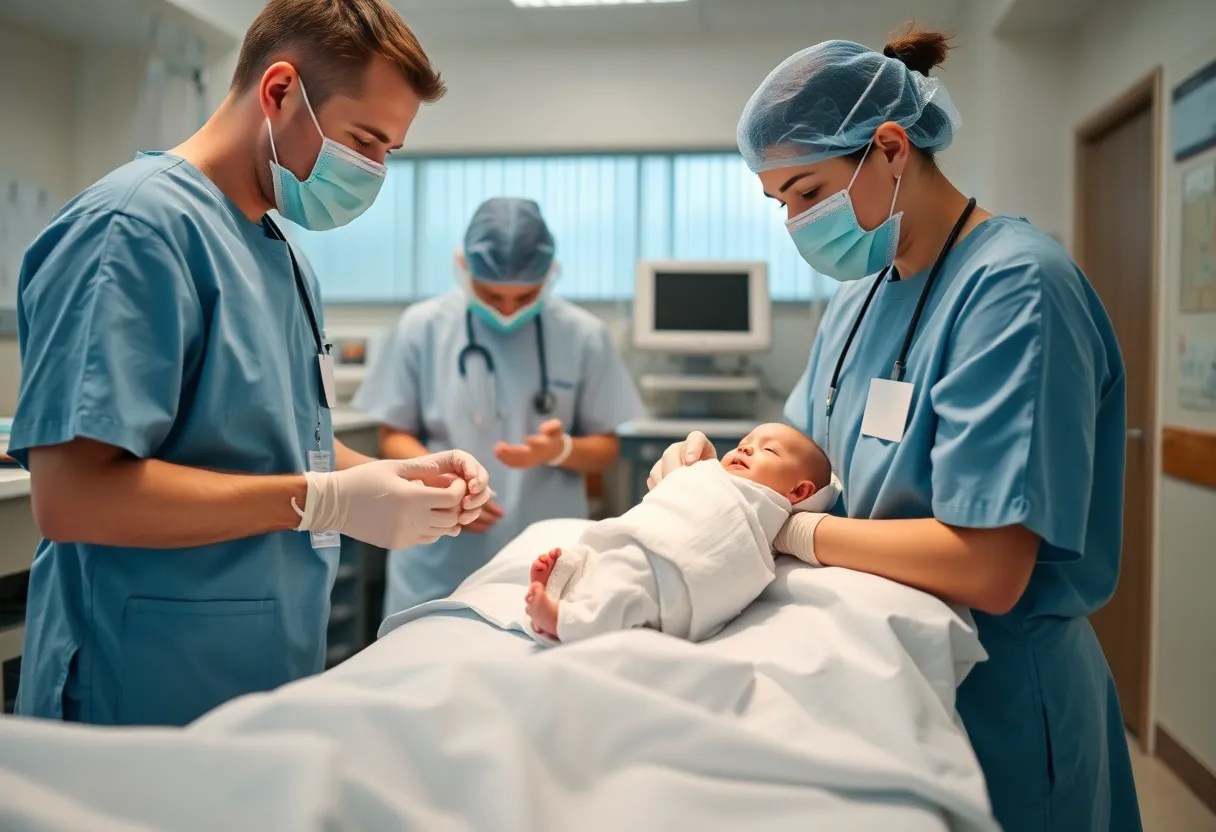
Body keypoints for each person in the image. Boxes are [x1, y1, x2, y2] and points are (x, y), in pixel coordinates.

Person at [645, 29, 1140, 832]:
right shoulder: (862, 296)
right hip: (888, 679)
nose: (795, 222)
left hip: (1002, 702)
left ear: (890, 148)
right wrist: (724, 472)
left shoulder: (1017, 290)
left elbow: (988, 567)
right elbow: (807, 452)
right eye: (780, 203)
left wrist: (788, 531)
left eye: (808, 192)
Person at [8, 0, 492, 728]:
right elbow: (73, 497)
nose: (373, 171)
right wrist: (327, 502)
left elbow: (282, 444)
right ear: (280, 91)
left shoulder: (282, 253)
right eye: (364, 141)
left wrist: (397, 478)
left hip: (257, 675)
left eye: (388, 152)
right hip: (139, 682)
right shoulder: (131, 231)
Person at [355, 197, 645, 616]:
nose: (508, 309)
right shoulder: (421, 327)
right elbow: (393, 435)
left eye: (525, 296)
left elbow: (605, 449)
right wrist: (442, 485)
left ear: (550, 275)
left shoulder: (584, 335)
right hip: (439, 554)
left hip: (546, 559)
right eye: (491, 295)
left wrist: (560, 450)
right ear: (463, 268)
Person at [525, 423, 838, 642]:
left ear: (798, 491)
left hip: (674, 566)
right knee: (598, 558)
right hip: (648, 532)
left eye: (768, 449)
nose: (745, 447)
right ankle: (561, 582)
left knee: (629, 585)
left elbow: (737, 551)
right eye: (745, 441)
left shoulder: (769, 510)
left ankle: (567, 622)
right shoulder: (712, 474)